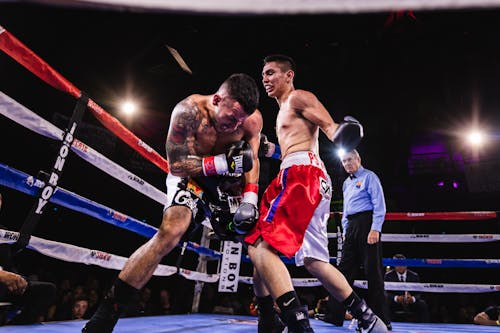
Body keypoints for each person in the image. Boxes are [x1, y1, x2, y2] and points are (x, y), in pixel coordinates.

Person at [83, 73, 262, 332]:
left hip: (224, 185)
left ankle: (269, 316)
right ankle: (105, 316)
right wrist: (222, 163)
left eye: (241, 121)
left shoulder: (250, 121)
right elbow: (176, 165)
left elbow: (250, 160)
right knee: (170, 232)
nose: (235, 126)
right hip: (190, 178)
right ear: (216, 99)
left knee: (256, 237)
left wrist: (250, 198)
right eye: (231, 118)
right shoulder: (188, 112)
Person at [245, 54, 387, 333]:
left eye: (272, 73)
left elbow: (329, 127)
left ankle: (283, 320)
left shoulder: (298, 97)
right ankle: (368, 318)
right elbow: (295, 144)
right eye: (264, 75)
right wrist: (270, 150)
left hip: (300, 177)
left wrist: (343, 134)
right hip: (306, 176)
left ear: (289, 75)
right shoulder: (284, 109)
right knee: (313, 260)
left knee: (259, 244)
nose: (266, 79)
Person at [326, 148, 391, 329]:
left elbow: (380, 205)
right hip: (352, 227)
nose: (347, 164)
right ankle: (334, 315)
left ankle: (381, 319)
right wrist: (346, 231)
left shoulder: (370, 177)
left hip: (367, 223)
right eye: (344, 161)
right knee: (343, 271)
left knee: (374, 272)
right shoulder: (346, 183)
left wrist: (375, 229)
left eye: (349, 160)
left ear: (358, 159)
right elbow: (346, 211)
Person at [0, 193, 57, 325]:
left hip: (5, 286)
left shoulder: (4, 233)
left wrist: (19, 279)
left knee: (47, 290)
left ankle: (14, 327)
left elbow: (7, 263)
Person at [384, 253, 429, 322]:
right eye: (397, 263)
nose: (400, 266)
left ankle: (425, 326)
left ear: (406, 264)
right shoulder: (388, 276)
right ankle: (388, 324)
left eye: (402, 263)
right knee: (386, 302)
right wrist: (396, 298)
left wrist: (413, 298)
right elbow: (385, 292)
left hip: (411, 302)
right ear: (394, 265)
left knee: (422, 304)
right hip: (395, 302)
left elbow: (419, 292)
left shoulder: (414, 275)